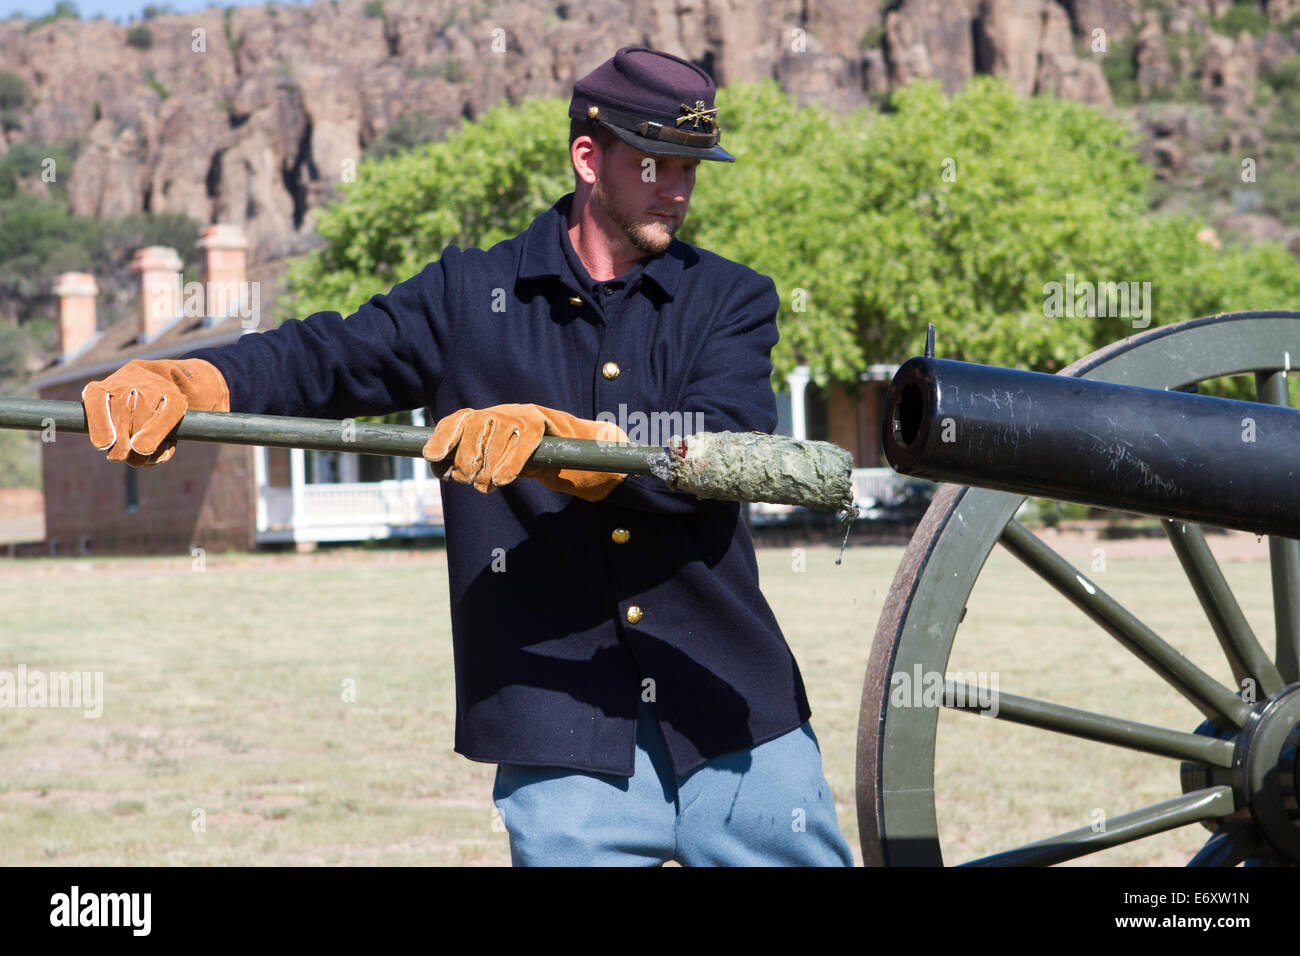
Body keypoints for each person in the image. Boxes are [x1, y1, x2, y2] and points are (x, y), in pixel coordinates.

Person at [81, 46, 854, 867]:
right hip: (557, 729)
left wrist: (576, 448)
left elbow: (723, 441)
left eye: (693, 167)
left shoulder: (730, 298)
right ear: (587, 157)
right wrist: (197, 380)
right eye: (657, 163)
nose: (680, 187)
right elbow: (327, 357)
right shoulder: (465, 294)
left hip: (734, 714)